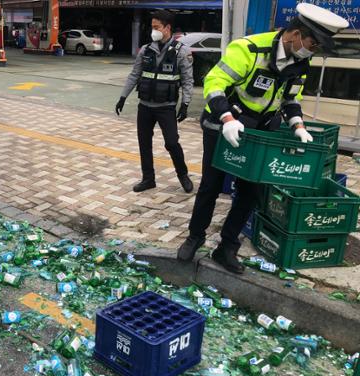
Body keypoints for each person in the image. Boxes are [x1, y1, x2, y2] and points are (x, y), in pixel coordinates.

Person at [176, 3, 349, 273]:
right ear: (294, 34)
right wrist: (227, 119)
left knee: (251, 190)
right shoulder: (248, 48)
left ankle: (227, 247)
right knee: (212, 184)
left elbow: (291, 98)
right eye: (312, 44)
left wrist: (298, 125)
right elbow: (214, 81)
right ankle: (195, 236)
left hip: (260, 131)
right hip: (225, 124)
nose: (311, 51)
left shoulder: (301, 60)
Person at [115, 10, 194, 194]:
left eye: (156, 27)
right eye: (152, 27)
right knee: (144, 143)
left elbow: (188, 80)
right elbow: (134, 74)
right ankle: (148, 179)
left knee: (172, 143)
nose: (153, 31)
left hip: (166, 107)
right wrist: (123, 97)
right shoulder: (146, 50)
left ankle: (183, 175)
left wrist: (185, 104)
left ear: (167, 28)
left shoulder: (181, 52)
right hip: (145, 106)